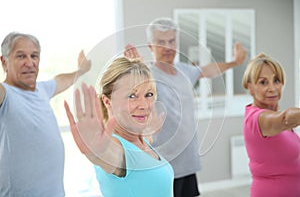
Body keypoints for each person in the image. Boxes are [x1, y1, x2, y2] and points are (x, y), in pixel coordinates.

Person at [124, 17, 247, 197]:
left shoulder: (185, 71)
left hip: (187, 161)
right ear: (150, 46)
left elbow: (208, 70)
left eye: (172, 41)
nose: (168, 47)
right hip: (163, 163)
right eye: (161, 42)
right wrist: (137, 67)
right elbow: (137, 93)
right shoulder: (148, 74)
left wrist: (234, 63)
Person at [64, 57, 174, 197]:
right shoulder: (117, 149)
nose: (144, 105)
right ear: (107, 101)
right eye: (132, 96)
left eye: (148, 94)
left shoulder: (141, 140)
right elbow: (109, 155)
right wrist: (97, 152)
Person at [0, 32, 91, 196]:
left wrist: (82, 70)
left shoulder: (42, 89)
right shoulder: (5, 94)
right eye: (21, 56)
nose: (30, 63)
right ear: (4, 62)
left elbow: (62, 80)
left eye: (34, 56)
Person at [242, 53, 300, 197]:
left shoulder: (278, 122)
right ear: (250, 87)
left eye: (276, 80)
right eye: (263, 82)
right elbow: (286, 118)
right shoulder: (256, 119)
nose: (272, 88)